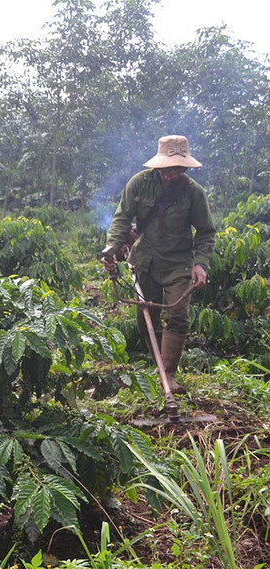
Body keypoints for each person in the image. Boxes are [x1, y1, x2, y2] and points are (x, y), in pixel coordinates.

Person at [100, 135, 216, 394]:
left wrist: (201, 265)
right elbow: (122, 219)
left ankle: (169, 375)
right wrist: (112, 248)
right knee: (146, 319)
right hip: (144, 260)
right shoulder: (139, 184)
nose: (175, 173)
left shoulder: (193, 193)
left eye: (180, 168)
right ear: (159, 164)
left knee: (177, 315)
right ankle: (160, 368)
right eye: (170, 168)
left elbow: (206, 232)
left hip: (178, 263)